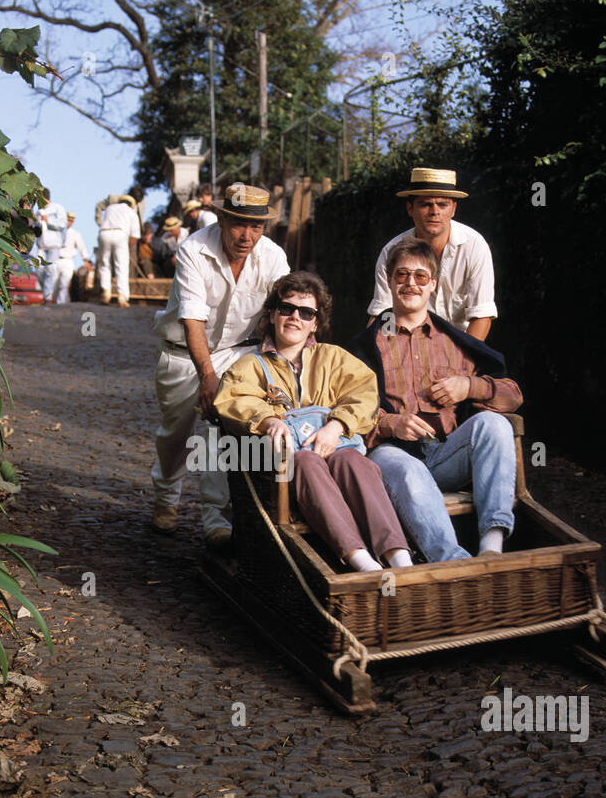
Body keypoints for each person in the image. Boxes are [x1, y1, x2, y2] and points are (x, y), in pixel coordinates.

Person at [214, 274, 414, 572]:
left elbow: (364, 393)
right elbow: (235, 399)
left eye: (306, 312)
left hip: (335, 452)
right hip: (281, 471)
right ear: (272, 314)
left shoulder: (333, 358)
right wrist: (268, 420)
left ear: (315, 323)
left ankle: (399, 557)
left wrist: (336, 426)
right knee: (305, 460)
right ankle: (360, 560)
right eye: (286, 308)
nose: (295, 317)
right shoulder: (250, 366)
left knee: (353, 460)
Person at [349, 236, 523, 563]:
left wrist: (470, 386)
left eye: (420, 276)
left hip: (445, 455)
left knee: (493, 424)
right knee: (408, 468)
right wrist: (389, 423)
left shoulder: (455, 342)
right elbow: (344, 411)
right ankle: (452, 562)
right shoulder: (363, 347)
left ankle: (491, 547)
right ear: (389, 281)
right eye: (401, 275)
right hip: (390, 457)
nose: (410, 284)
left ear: (434, 285)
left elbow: (513, 395)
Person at [150, 183, 290, 548]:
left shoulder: (273, 256)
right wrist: (207, 375)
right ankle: (166, 498)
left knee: (222, 430)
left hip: (238, 352)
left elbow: (284, 311)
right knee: (175, 435)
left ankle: (217, 519)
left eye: (256, 227)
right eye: (239, 225)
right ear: (223, 218)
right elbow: (192, 319)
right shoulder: (194, 248)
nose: (247, 236)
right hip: (183, 352)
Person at [366, 167, 497, 341]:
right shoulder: (391, 251)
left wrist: (463, 363)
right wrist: (383, 356)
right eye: (425, 204)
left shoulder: (474, 246)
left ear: (453, 209)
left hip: (462, 347)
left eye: (443, 204)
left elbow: (482, 315)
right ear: (410, 208)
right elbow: (384, 314)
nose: (435, 211)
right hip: (409, 346)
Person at [96, 193, 140, 307]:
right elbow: (134, 236)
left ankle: (106, 293)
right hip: (120, 234)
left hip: (104, 233)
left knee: (105, 264)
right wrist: (128, 248)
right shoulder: (131, 212)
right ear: (131, 204)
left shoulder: (110, 208)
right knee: (121, 266)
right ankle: (122, 297)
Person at [37, 188, 68, 304]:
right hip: (41, 245)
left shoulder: (57, 208)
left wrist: (48, 220)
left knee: (50, 269)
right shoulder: (38, 211)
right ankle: (47, 292)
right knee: (39, 271)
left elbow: (62, 224)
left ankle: (47, 297)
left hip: (54, 244)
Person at [53, 212, 89, 304]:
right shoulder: (56, 232)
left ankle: (61, 304)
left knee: (64, 284)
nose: (69, 223)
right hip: (55, 260)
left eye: (71, 221)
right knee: (55, 285)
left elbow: (82, 247)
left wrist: (85, 260)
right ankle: (60, 302)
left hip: (67, 261)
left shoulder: (75, 234)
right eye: (68, 220)